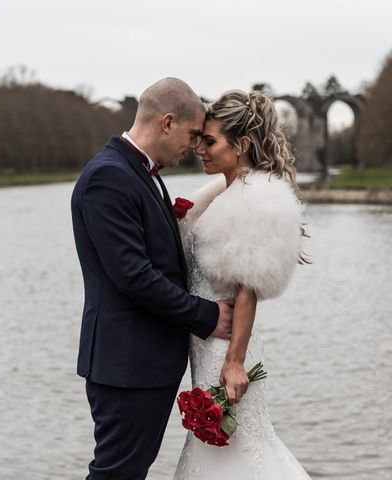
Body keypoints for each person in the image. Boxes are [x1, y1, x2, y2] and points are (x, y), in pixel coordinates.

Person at [70, 77, 235, 480]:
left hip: (141, 364)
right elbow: (134, 276)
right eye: (193, 134)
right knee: (116, 474)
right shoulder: (108, 177)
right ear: (166, 122)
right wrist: (207, 315)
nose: (195, 147)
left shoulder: (140, 173)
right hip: (126, 366)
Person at [174, 89, 310, 479]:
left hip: (226, 349)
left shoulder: (257, 199)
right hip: (204, 346)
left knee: (236, 454)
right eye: (199, 139)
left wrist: (234, 362)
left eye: (210, 141)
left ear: (242, 144)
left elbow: (247, 287)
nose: (199, 148)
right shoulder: (220, 194)